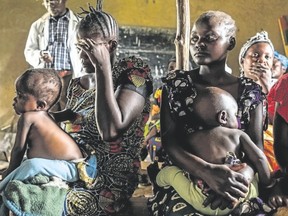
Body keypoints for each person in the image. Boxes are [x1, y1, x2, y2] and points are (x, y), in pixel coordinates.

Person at [148, 10, 269, 215]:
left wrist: (241, 179)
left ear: (230, 43)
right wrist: (207, 172)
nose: (199, 43)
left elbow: (255, 148)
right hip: (187, 176)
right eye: (195, 38)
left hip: (236, 179)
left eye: (209, 37)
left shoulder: (251, 92)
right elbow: (170, 143)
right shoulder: (176, 85)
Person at [48, 2, 153, 215]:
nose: (82, 55)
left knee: (57, 202)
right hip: (72, 169)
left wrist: (102, 67)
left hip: (110, 183)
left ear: (111, 46)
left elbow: (111, 130)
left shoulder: (134, 73)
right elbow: (75, 124)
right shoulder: (78, 85)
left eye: (90, 48)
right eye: (79, 48)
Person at [156, 86, 275, 215]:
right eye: (235, 115)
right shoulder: (238, 135)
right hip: (238, 195)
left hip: (201, 199)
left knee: (171, 172)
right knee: (254, 177)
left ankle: (157, 179)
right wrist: (267, 185)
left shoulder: (190, 138)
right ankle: (248, 207)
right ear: (223, 116)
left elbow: (180, 159)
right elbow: (259, 158)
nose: (238, 120)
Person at [0, 68, 83, 192]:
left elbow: (18, 150)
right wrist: (71, 115)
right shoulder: (46, 116)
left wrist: (9, 173)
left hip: (69, 168)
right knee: (27, 163)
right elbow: (64, 114)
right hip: (73, 167)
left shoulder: (28, 117)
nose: (15, 99)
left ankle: (2, 188)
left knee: (30, 165)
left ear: (40, 106)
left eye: (21, 96)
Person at [24, 0, 82, 111]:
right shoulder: (38, 25)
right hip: (47, 79)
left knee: (70, 111)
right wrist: (40, 55)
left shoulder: (78, 24)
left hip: (69, 77)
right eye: (47, 1)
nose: (51, 3)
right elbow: (29, 51)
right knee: (49, 111)